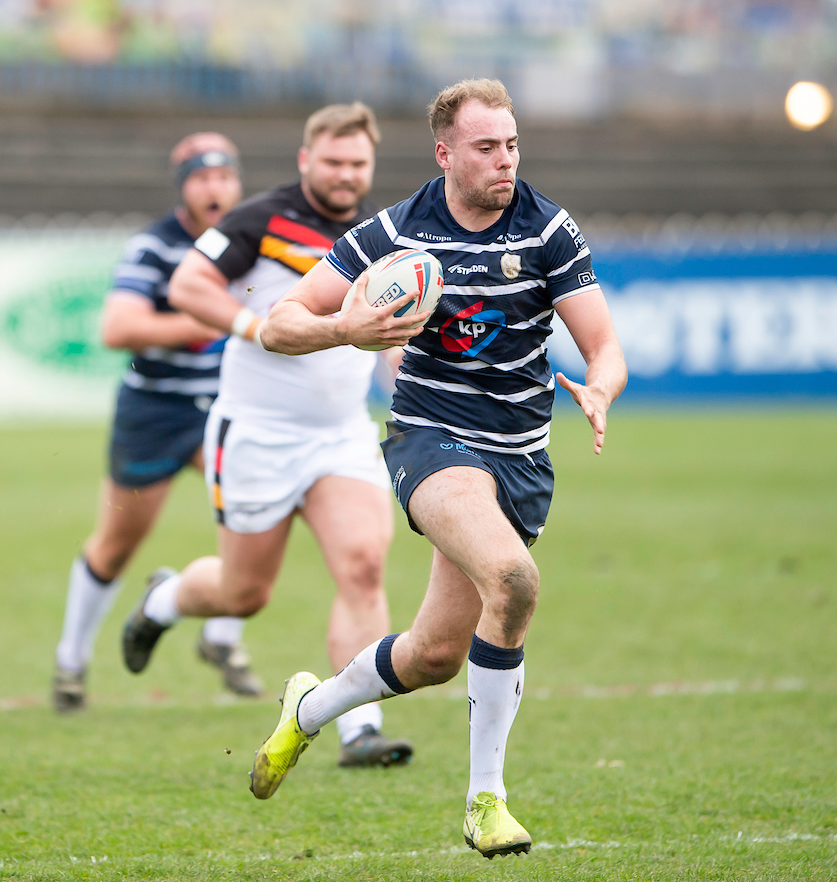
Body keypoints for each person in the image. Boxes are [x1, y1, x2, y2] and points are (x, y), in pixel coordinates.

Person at [245, 79, 627, 859]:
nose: (505, 161)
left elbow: (605, 347)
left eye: (513, 145)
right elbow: (279, 325)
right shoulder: (396, 231)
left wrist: (601, 387)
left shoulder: (549, 229)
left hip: (522, 457)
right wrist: (346, 327)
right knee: (514, 580)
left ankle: (310, 710)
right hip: (433, 441)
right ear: (446, 153)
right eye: (487, 148)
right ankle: (486, 802)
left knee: (432, 656)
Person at [119, 102, 414, 768]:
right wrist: (258, 328)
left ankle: (357, 726)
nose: (345, 175)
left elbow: (391, 331)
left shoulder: (383, 233)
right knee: (243, 593)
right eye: (332, 162)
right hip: (256, 432)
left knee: (363, 565)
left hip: (340, 434)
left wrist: (401, 372)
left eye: (357, 164)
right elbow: (189, 284)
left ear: (371, 166)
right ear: (307, 160)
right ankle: (162, 600)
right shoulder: (260, 218)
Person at [52, 133, 264, 713]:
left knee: (262, 510)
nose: (215, 187)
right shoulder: (154, 245)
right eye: (202, 178)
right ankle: (70, 662)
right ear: (184, 189)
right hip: (153, 411)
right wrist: (206, 320)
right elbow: (117, 329)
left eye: (224, 176)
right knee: (116, 545)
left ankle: (221, 639)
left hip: (221, 407)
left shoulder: (250, 240)